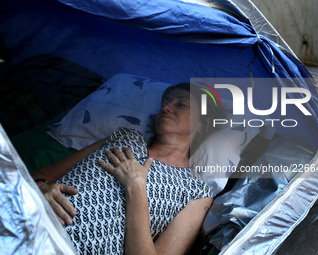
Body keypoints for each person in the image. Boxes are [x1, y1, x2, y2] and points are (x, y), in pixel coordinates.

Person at [31, 83, 214, 255]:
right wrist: (41, 189)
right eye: (165, 103)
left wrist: (136, 187)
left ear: (203, 125)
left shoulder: (196, 191)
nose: (166, 108)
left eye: (182, 104)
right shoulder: (123, 138)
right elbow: (40, 176)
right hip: (28, 222)